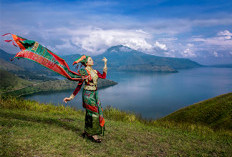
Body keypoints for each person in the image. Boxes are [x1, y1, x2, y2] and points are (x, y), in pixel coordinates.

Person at [63, 55, 107, 143]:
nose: (92, 61)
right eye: (90, 60)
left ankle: (86, 132)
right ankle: (94, 135)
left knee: (89, 114)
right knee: (95, 113)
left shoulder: (95, 71)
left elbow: (103, 76)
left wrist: (105, 63)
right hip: (87, 95)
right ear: (86, 63)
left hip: (94, 94)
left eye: (92, 59)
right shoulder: (83, 72)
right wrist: (71, 97)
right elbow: (79, 85)